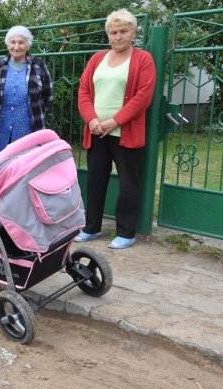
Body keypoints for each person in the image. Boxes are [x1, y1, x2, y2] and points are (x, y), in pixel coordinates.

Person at [75, 8, 156, 249]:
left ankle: (126, 233)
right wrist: (91, 119)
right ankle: (91, 228)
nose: (117, 36)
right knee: (95, 181)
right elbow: (84, 91)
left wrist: (115, 121)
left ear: (133, 33)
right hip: (97, 131)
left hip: (125, 132)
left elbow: (143, 96)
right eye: (113, 32)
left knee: (129, 183)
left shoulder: (143, 59)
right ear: (107, 35)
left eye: (123, 31)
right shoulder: (97, 58)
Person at [0, 25, 54, 156]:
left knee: (26, 169)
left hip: (29, 129)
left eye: (21, 42)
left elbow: (49, 96)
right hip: (0, 129)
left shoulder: (38, 65)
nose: (16, 47)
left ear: (28, 45)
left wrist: (36, 113)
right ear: (8, 44)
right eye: (13, 42)